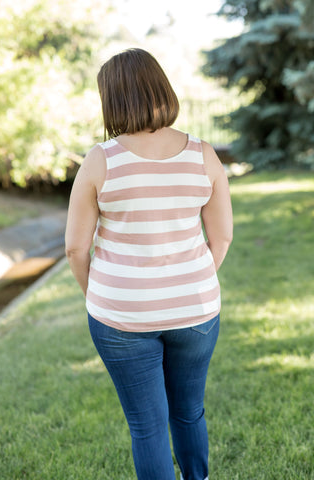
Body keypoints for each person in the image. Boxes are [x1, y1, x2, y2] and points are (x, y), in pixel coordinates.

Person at [65, 48, 233, 480]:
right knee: (189, 412)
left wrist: (102, 296)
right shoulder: (203, 154)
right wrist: (190, 280)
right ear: (160, 87)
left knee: (148, 427)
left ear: (112, 100)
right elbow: (223, 235)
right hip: (196, 310)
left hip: (120, 316)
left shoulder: (100, 160)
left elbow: (74, 249)